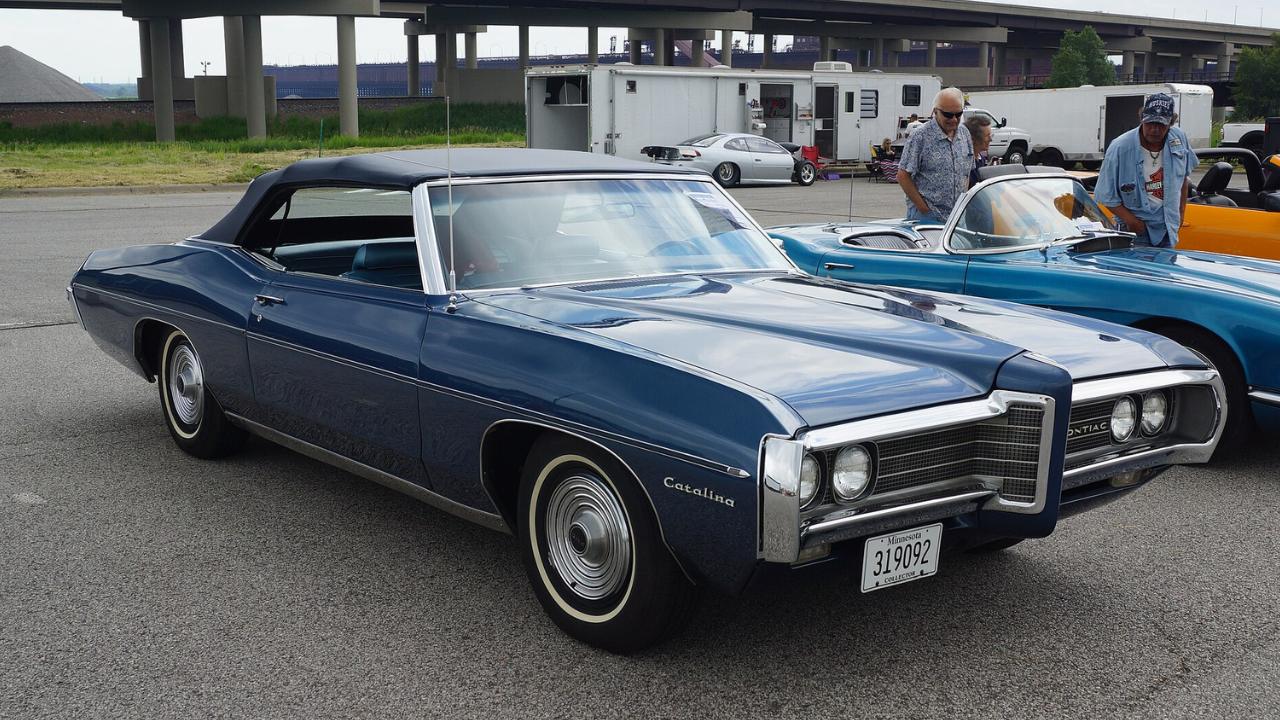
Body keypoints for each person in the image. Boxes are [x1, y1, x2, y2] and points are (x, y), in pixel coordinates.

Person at [1094, 93, 1198, 248]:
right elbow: (1105, 195)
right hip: (1136, 231)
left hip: (1168, 229)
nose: (1154, 130)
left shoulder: (1179, 138)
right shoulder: (1120, 147)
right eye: (1150, 123)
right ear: (1141, 119)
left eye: (1161, 124)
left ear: (1171, 123)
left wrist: (1181, 213)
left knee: (1164, 272)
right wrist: (1132, 221)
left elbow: (1183, 178)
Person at [897, 87, 974, 223]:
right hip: (927, 216)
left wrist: (962, 204)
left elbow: (966, 173)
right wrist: (924, 209)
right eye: (948, 115)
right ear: (935, 112)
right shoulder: (920, 136)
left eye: (958, 114)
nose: (954, 119)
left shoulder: (965, 133)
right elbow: (903, 175)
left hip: (956, 216)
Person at [964, 113, 993, 187]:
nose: (991, 139)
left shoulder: (981, 158)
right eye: (987, 136)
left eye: (991, 135)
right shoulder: (965, 163)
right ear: (973, 139)